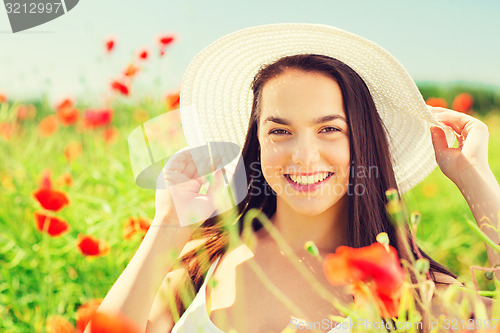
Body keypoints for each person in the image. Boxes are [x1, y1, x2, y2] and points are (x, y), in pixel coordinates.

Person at [91, 24, 500, 333]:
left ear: (362, 142)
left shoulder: (414, 288)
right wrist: (168, 225)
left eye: (330, 129)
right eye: (279, 131)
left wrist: (475, 177)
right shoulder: (205, 262)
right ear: (257, 143)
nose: (303, 156)